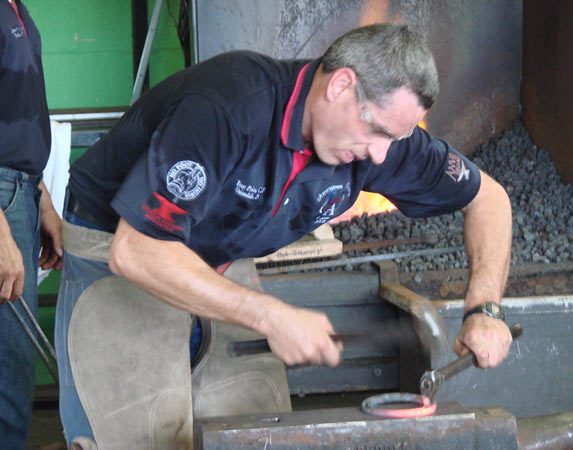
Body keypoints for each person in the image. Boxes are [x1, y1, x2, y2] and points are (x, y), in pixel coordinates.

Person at [55, 23, 513, 449]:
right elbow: (137, 250)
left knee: (255, 428)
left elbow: (489, 200)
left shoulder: (380, 143)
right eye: (376, 131)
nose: (380, 155)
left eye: (394, 138)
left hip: (221, 253)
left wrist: (485, 308)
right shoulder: (228, 106)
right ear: (341, 85)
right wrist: (270, 315)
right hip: (122, 246)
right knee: (143, 435)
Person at [0, 1, 63, 449]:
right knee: (7, 372)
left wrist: (43, 204)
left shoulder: (16, 7)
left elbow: (17, 114)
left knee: (14, 368)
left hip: (20, 189)